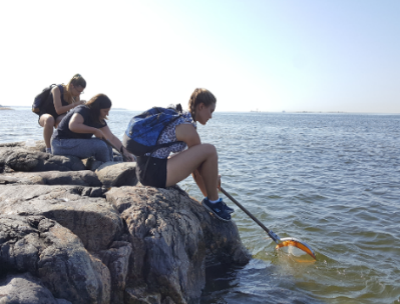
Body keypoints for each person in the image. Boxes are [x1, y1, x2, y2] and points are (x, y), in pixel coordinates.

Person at [133, 88, 234, 221]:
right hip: (154, 174)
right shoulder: (187, 128)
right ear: (201, 106)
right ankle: (214, 202)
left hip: (144, 169)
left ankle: (211, 200)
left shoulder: (180, 118)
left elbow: (196, 165)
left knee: (201, 153)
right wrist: (213, 178)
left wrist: (212, 180)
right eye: (211, 111)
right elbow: (200, 165)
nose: (211, 116)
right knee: (210, 150)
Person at [51, 93, 134, 162]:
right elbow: (73, 125)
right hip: (60, 144)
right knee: (100, 146)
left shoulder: (98, 119)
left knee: (106, 143)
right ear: (97, 109)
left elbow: (111, 137)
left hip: (72, 144)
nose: (107, 114)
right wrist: (94, 130)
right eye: (105, 111)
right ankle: (107, 166)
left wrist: (125, 151)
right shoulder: (83, 110)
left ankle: (109, 163)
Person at [39, 74, 87, 153]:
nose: (79, 94)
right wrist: (75, 104)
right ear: (72, 86)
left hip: (59, 117)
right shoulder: (57, 89)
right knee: (50, 119)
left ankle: (62, 145)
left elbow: (75, 112)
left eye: (81, 92)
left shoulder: (75, 95)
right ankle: (49, 149)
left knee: (68, 120)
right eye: (78, 91)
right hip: (45, 116)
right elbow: (58, 110)